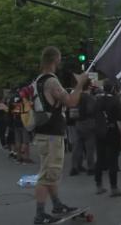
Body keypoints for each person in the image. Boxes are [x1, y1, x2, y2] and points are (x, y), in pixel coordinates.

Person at [33, 46, 88, 224]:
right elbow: (72, 102)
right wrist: (80, 83)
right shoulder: (52, 82)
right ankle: (39, 215)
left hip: (43, 133)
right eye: (60, 58)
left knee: (51, 172)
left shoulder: (39, 80)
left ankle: (57, 204)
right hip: (51, 135)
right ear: (55, 59)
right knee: (46, 175)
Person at [94, 80, 121, 197]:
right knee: (113, 160)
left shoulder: (97, 100)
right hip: (112, 131)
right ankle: (114, 187)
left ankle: (99, 185)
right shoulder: (115, 100)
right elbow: (120, 120)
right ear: (113, 88)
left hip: (99, 131)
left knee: (100, 158)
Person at [71, 79, 97, 176]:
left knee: (77, 146)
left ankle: (75, 167)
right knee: (90, 147)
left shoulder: (76, 97)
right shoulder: (90, 98)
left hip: (78, 122)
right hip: (89, 123)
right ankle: (91, 167)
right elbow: (91, 110)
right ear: (89, 86)